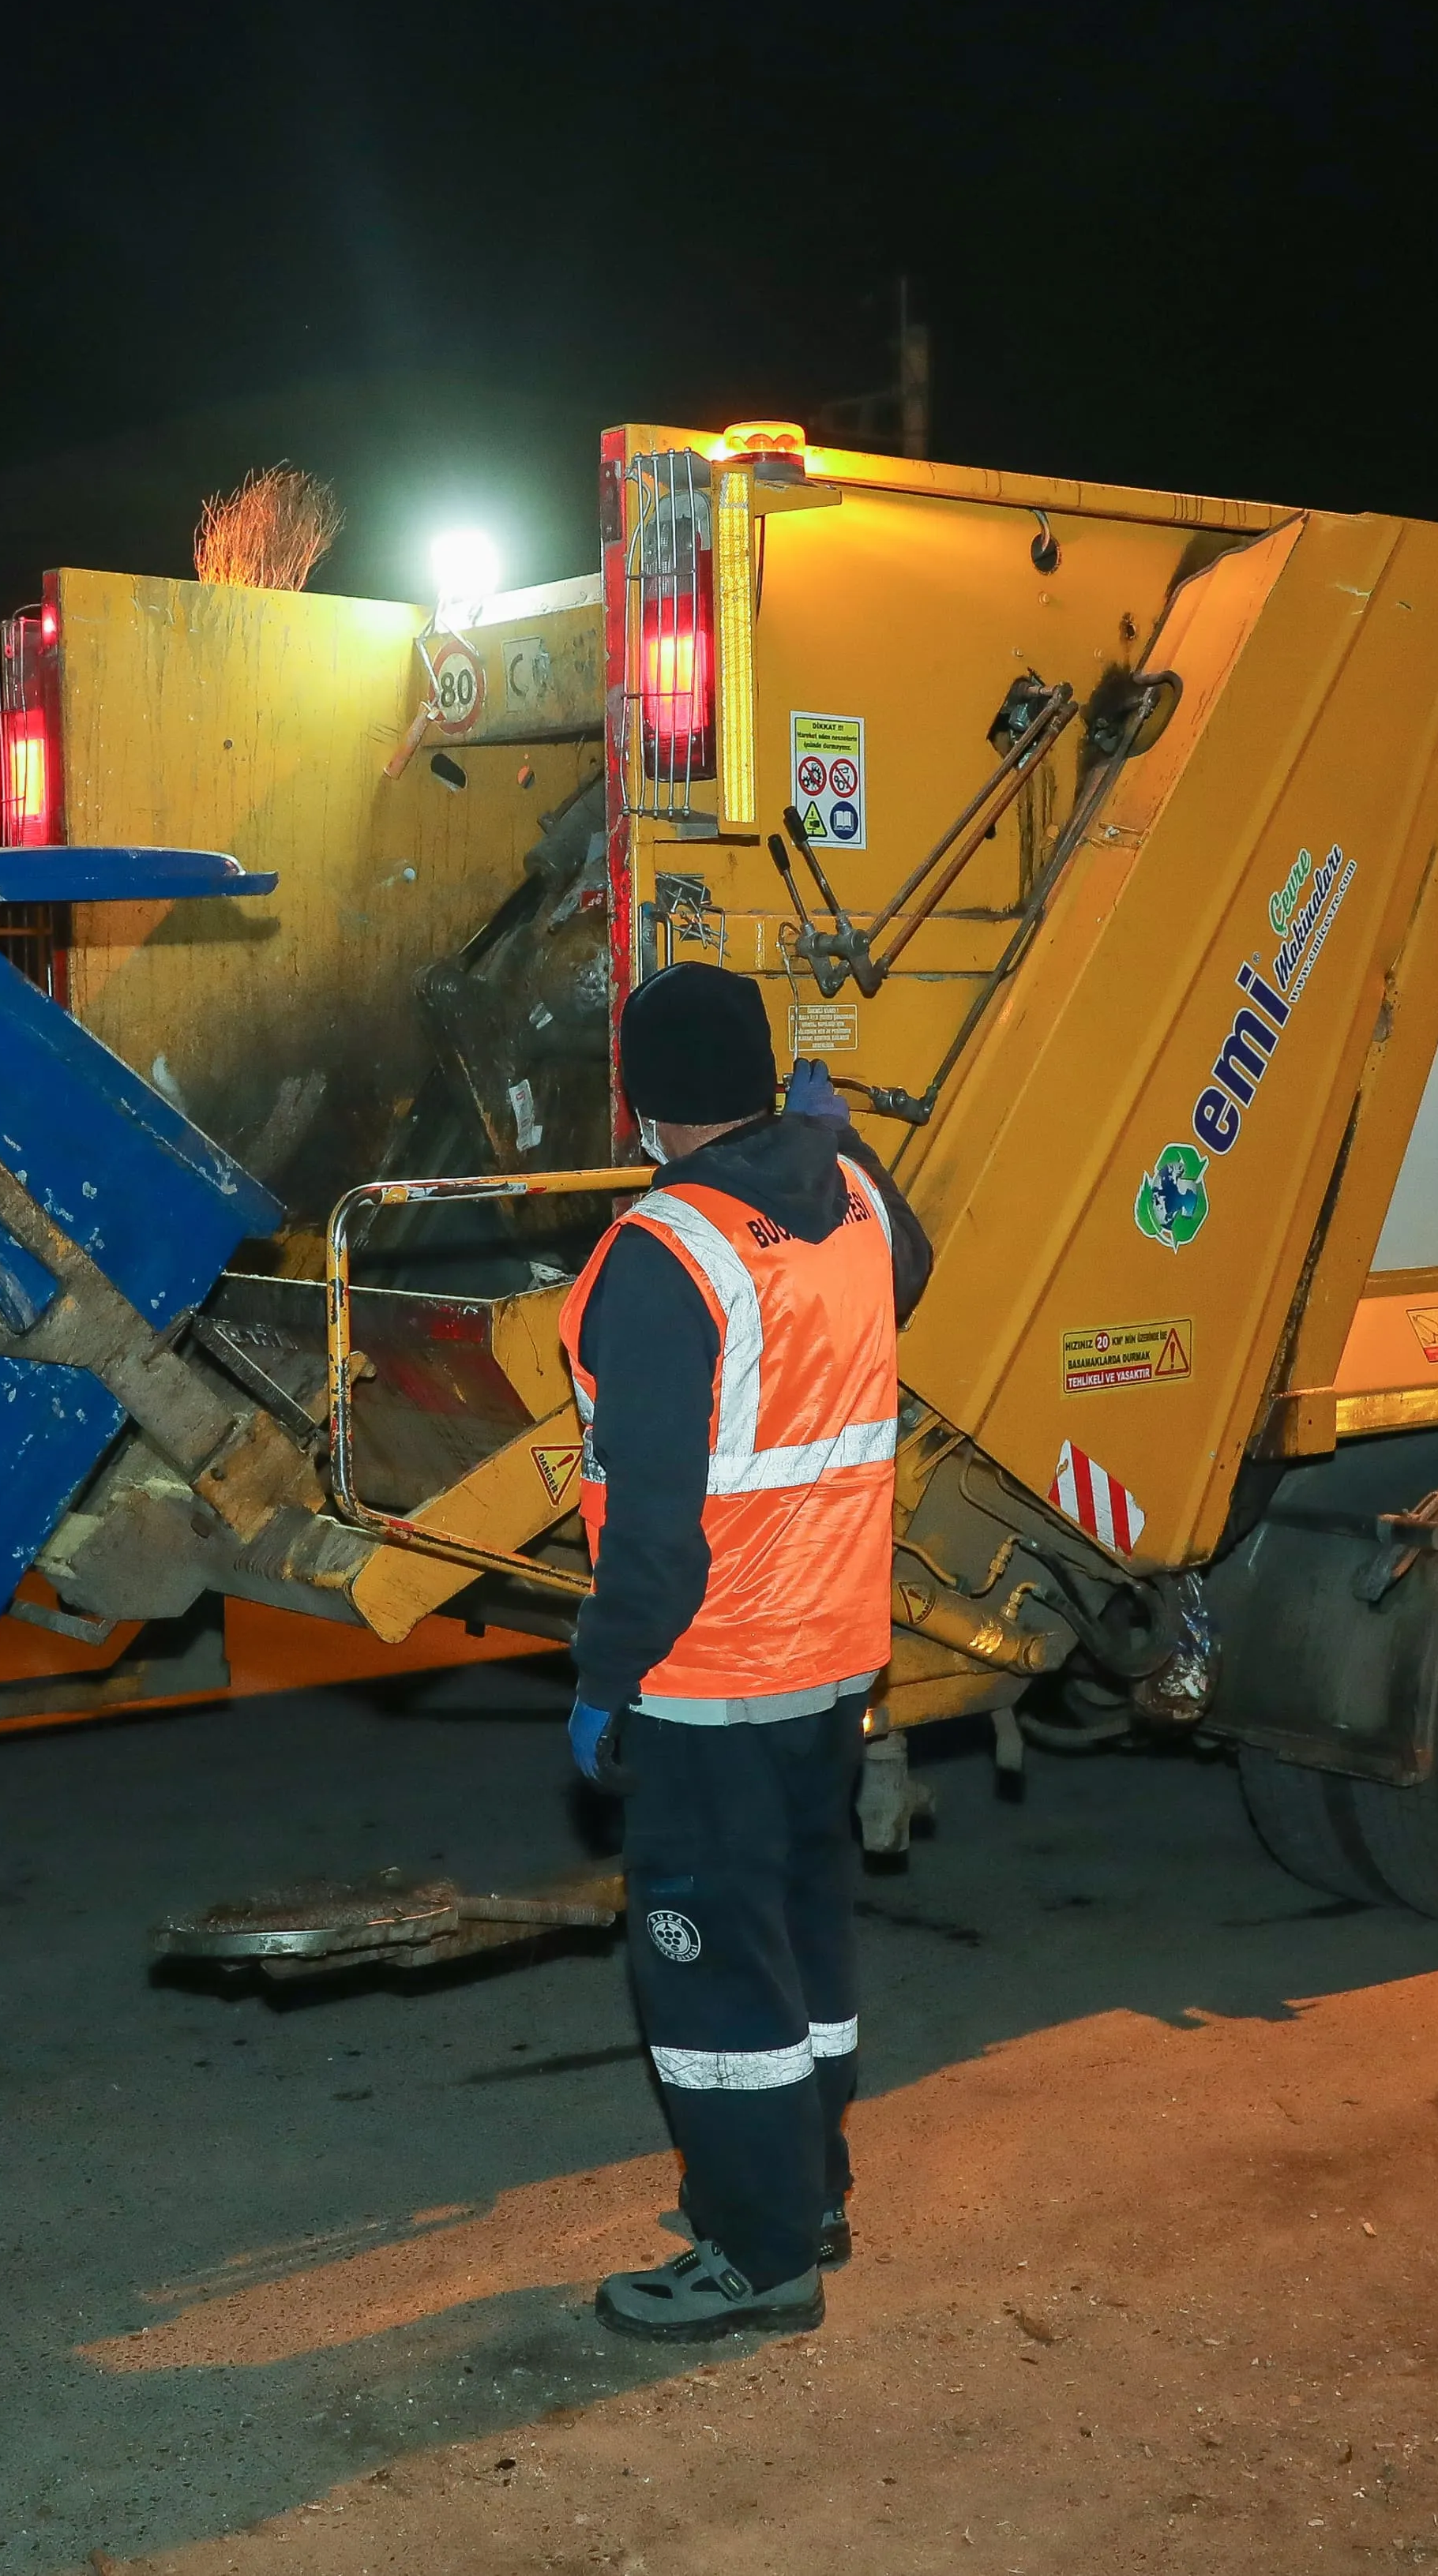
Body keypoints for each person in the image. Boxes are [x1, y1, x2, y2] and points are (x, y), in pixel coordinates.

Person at [558, 963, 929, 2341]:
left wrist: (604, 1680)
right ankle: (807, 2191)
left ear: (642, 1104)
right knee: (806, 1941)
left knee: (712, 1971)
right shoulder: (854, 1198)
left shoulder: (662, 1258)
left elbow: (654, 1533)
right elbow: (914, 1270)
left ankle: (760, 2258)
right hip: (837, 1653)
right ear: (769, 1078)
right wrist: (840, 1139)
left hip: (711, 1678)